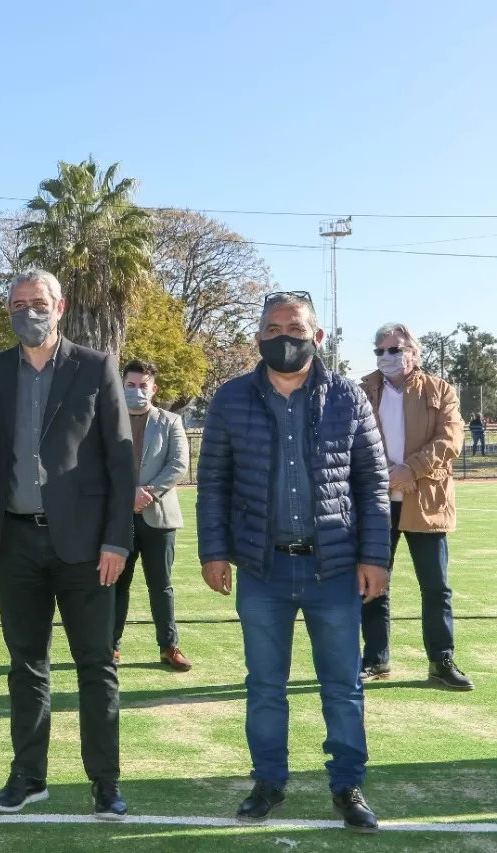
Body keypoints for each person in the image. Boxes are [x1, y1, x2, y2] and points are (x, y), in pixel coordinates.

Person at [197, 291, 390, 833]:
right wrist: (214, 550)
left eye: (296, 328)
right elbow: (213, 483)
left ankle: (347, 784)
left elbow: (372, 484)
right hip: (264, 570)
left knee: (343, 686)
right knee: (264, 685)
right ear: (258, 337)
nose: (285, 337)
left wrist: (375, 557)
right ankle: (268, 781)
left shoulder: (348, 397)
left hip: (334, 568)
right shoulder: (231, 398)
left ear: (317, 336)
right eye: (274, 329)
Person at [0, 269, 133, 820]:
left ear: (60, 307)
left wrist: (117, 540)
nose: (27, 312)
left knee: (95, 664)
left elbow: (120, 459)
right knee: (26, 665)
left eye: (37, 303)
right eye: (17, 304)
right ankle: (28, 776)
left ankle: (104, 781)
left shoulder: (96, 366)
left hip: (87, 546)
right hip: (14, 540)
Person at [358, 324, 472, 689]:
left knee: (436, 587)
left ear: (414, 353)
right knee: (373, 583)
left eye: (395, 349)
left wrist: (411, 469)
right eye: (380, 351)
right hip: (376, 503)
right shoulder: (363, 391)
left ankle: (441, 660)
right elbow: (351, 440)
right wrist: (387, 475)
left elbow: (450, 438)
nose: (386, 357)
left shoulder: (440, 390)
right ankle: (376, 659)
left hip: (426, 502)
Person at [114, 360, 192, 671]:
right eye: (130, 385)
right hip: (118, 518)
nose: (136, 391)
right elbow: (96, 463)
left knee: (161, 585)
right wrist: (127, 495)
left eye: (143, 386)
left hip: (159, 517)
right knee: (116, 585)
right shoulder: (107, 419)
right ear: (122, 386)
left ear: (153, 388)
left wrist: (146, 493)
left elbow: (178, 465)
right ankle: (110, 647)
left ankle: (169, 647)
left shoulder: (171, 421)